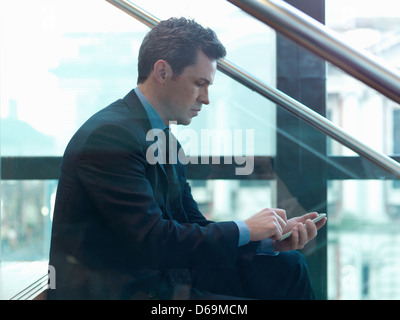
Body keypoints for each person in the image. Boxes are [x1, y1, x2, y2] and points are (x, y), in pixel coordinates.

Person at [48, 17, 326, 300]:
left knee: (288, 267)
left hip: (160, 278)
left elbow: (190, 223)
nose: (206, 98)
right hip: (121, 291)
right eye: (199, 83)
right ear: (162, 71)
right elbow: (154, 240)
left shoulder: (163, 138)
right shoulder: (110, 135)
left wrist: (264, 239)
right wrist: (245, 228)